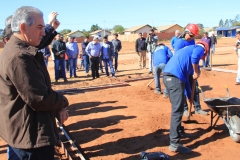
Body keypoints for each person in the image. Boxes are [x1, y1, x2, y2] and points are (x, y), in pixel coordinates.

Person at [0, 6, 69, 159]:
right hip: (31, 136)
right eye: (39, 27)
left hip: (26, 131)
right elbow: (39, 98)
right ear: (23, 28)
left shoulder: (22, 49)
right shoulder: (19, 57)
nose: (43, 32)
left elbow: (42, 42)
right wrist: (63, 102)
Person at [163, 42, 209, 154]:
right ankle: (174, 143)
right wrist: (196, 71)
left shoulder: (188, 52)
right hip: (174, 78)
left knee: (177, 107)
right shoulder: (200, 48)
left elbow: (188, 81)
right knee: (177, 111)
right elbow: (195, 58)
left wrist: (190, 96)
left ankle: (179, 132)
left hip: (169, 76)